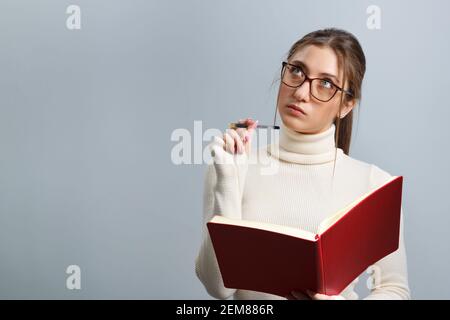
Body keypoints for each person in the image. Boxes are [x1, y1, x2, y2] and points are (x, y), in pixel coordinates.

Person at [195, 28, 410, 300]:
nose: (302, 92)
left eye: (326, 84)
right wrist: (227, 179)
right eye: (296, 71)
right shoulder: (230, 164)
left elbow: (395, 290)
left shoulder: (374, 184)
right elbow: (219, 288)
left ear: (346, 105)